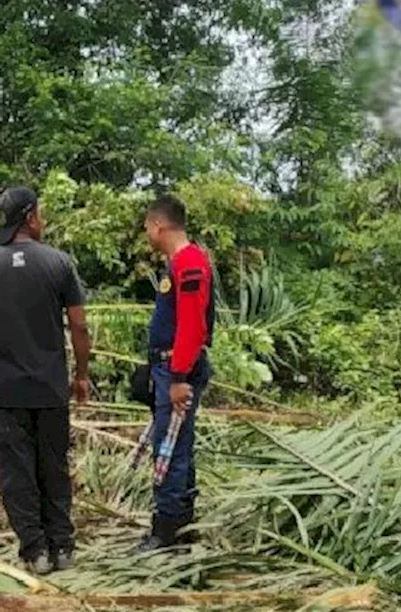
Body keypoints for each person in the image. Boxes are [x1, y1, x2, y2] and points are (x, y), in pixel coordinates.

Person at [0, 186, 92, 575]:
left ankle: (35, 551)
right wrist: (81, 375)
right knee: (53, 464)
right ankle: (63, 546)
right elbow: (79, 325)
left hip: (6, 390)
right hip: (51, 387)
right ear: (30, 216)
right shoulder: (59, 264)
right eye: (42, 213)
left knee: (17, 471)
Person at [136, 194, 216, 553]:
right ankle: (181, 525)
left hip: (177, 370)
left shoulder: (190, 263)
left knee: (169, 450)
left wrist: (180, 376)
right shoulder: (180, 262)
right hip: (168, 367)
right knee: (177, 446)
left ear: (158, 225)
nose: (146, 234)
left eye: (147, 227)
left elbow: (192, 326)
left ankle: (166, 532)